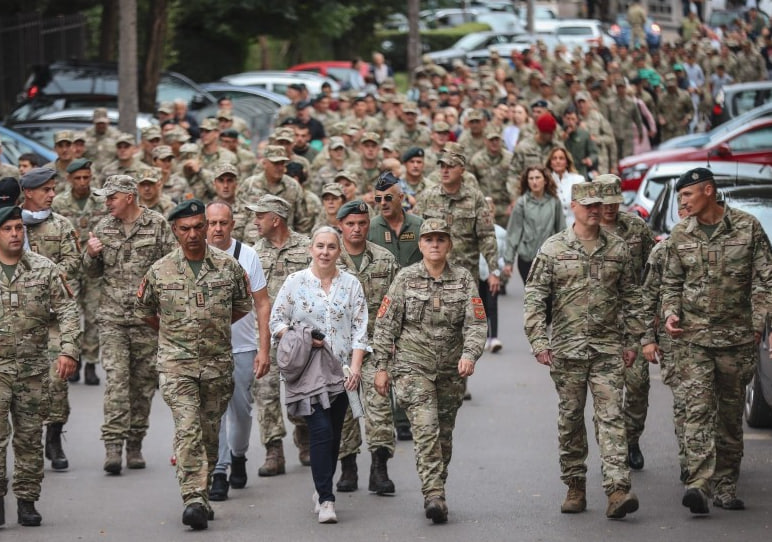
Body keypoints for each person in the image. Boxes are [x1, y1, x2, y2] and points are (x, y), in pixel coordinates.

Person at [523, 181, 643, 519]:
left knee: (611, 417)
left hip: (608, 349)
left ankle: (618, 489)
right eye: (587, 204)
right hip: (567, 351)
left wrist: (633, 341)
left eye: (598, 204)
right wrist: (538, 341)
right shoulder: (553, 249)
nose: (594, 209)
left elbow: (634, 297)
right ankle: (575, 484)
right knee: (571, 419)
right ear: (573, 206)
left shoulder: (618, 249)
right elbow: (535, 297)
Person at [655, 167, 772, 514]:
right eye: (679, 197)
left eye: (687, 195)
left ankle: (725, 486)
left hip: (736, 340)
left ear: (708, 191)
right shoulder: (680, 234)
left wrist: (757, 323)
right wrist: (670, 313)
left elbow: (765, 280)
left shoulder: (748, 227)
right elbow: (671, 284)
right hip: (694, 340)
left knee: (730, 416)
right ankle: (699, 484)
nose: (682, 203)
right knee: (697, 411)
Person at [135, 199, 253, 530]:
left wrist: (212, 327)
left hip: (217, 364)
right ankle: (193, 498)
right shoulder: (160, 270)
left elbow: (243, 304)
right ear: (175, 231)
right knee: (188, 428)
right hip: (176, 365)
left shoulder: (227, 266)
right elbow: (145, 310)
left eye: (199, 227)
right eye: (185, 229)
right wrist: (174, 334)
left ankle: (202, 490)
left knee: (209, 432)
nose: (193, 234)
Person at [373, 218, 487, 524]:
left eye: (440, 239)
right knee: (425, 431)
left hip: (451, 370)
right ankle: (434, 494)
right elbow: (385, 326)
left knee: (443, 435)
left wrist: (469, 354)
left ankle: (437, 486)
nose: (434, 244)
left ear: (449, 244)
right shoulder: (405, 279)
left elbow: (476, 323)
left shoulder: (463, 279)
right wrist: (382, 367)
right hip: (413, 367)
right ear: (420, 245)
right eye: (429, 240)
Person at [270, 226, 369, 524]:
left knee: (335, 434)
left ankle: (319, 486)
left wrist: (356, 368)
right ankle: (326, 498)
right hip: (308, 372)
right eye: (320, 246)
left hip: (340, 373)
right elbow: (276, 321)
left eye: (331, 247)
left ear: (339, 252)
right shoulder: (295, 282)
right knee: (321, 431)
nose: (325, 252)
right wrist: (301, 336)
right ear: (310, 249)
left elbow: (360, 329)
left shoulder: (351, 284)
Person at [84, 175, 176, 474]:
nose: (106, 202)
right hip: (112, 318)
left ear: (128, 197)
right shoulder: (103, 227)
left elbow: (171, 267)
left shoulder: (158, 224)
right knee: (116, 381)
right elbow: (92, 273)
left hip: (146, 319)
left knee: (143, 385)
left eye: (111, 197)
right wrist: (91, 255)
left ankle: (135, 443)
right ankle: (113, 445)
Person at [0, 205, 80, 527]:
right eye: (7, 229)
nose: (16, 234)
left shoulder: (43, 268)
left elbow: (68, 311)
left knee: (30, 438)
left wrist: (69, 350)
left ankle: (26, 500)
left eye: (19, 227)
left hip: (33, 368)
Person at [205, 202, 271, 501]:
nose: (216, 229)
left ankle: (239, 454)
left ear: (232, 225)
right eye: (211, 223)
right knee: (212, 411)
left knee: (241, 411)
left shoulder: (248, 255)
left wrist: (264, 349)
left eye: (222, 223)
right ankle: (219, 470)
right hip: (205, 349)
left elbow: (262, 303)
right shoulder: (194, 253)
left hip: (242, 345)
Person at [333, 200, 399, 495]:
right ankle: (348, 467)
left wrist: (396, 341)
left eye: (362, 223)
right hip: (338, 350)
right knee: (342, 410)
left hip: (376, 346)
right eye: (350, 224)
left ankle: (379, 468)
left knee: (380, 407)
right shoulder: (329, 259)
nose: (357, 229)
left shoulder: (385, 260)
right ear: (340, 226)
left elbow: (398, 304)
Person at [19, 167, 80, 472]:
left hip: (55, 315)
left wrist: (47, 275)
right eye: (45, 189)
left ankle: (54, 437)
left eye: (54, 189)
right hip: (19, 317)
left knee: (58, 379)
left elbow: (74, 261)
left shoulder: (61, 225)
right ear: (28, 192)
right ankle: (25, 441)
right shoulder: (12, 225)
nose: (52, 195)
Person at [249, 195, 312, 475]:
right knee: (265, 390)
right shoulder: (253, 253)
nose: (255, 221)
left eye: (260, 216)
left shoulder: (307, 247)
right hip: (265, 334)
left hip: (300, 333)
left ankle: (305, 438)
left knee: (302, 390)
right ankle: (273, 450)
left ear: (276, 219)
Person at [597, 175, 655, 472]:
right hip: (601, 324)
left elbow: (652, 268)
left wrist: (650, 312)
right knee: (606, 391)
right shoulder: (587, 230)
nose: (609, 207)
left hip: (634, 321)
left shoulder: (635, 228)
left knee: (638, 386)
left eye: (614, 201)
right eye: (604, 201)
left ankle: (631, 439)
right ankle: (613, 449)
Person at [51, 158, 108, 386]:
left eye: (86, 177)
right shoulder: (58, 203)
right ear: (69, 179)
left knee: (94, 314)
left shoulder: (101, 201)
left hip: (94, 265)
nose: (83, 182)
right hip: (71, 266)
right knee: (71, 314)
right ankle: (72, 358)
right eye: (78, 178)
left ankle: (92, 362)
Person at [503, 166, 565, 286]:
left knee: (549, 299)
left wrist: (564, 257)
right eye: (531, 178)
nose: (534, 181)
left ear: (545, 180)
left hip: (549, 259)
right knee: (533, 299)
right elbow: (513, 233)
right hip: (527, 259)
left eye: (537, 177)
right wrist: (508, 262)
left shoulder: (554, 202)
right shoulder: (522, 203)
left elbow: (561, 231)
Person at [545, 147, 585, 227]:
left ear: (567, 162)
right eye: (554, 158)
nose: (558, 161)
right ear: (550, 163)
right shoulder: (545, 181)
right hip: (552, 228)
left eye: (561, 158)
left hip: (574, 226)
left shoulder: (578, 180)